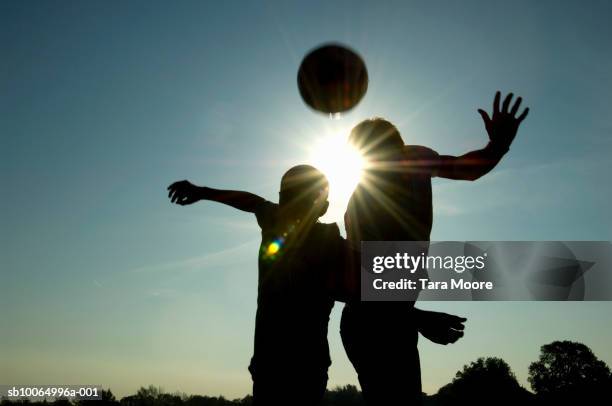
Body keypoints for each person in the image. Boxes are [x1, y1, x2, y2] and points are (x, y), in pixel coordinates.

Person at [341, 91, 529, 405]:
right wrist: (417, 319)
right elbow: (360, 288)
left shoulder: (417, 160)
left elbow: (467, 170)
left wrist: (498, 145)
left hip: (394, 316)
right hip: (370, 325)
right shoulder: (362, 207)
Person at [167, 165, 351, 406]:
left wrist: (203, 191)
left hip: (280, 362)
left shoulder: (278, 221)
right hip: (298, 363)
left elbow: (251, 201)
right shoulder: (328, 241)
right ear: (324, 207)